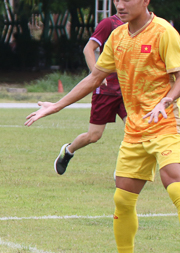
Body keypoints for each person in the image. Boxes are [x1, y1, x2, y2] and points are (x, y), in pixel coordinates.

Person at [26, 0, 180, 253]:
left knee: (175, 185)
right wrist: (56, 105)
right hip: (136, 129)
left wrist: (166, 101)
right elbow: (94, 78)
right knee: (123, 199)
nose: (120, 5)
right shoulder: (119, 37)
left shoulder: (163, 32)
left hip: (166, 124)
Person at [53, 14, 127, 175]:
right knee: (93, 136)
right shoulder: (109, 24)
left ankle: (124, 170)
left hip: (127, 90)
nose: (121, 4)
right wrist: (96, 74)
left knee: (134, 130)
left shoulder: (139, 25)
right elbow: (88, 49)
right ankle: (68, 150)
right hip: (106, 90)